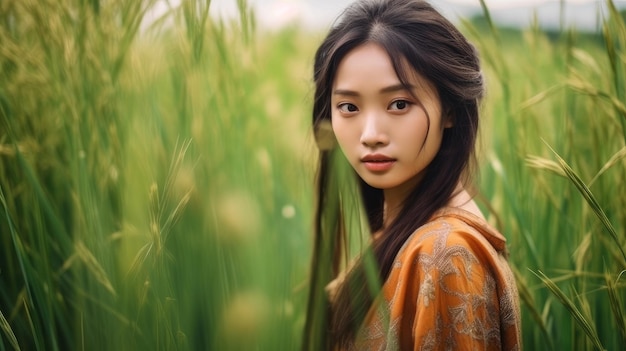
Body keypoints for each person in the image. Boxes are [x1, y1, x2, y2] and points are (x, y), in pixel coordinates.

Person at [302, 0, 522, 350]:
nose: (370, 133)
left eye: (399, 104)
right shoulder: (404, 233)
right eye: (349, 107)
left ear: (449, 109)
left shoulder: (445, 253)